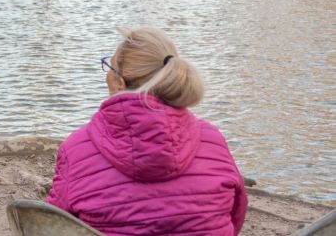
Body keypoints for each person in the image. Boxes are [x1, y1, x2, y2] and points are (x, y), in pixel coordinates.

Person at [48, 27, 247, 236]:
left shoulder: (76, 149)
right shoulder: (212, 140)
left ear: (120, 83)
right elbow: (236, 215)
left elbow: (52, 225)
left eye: (110, 67)